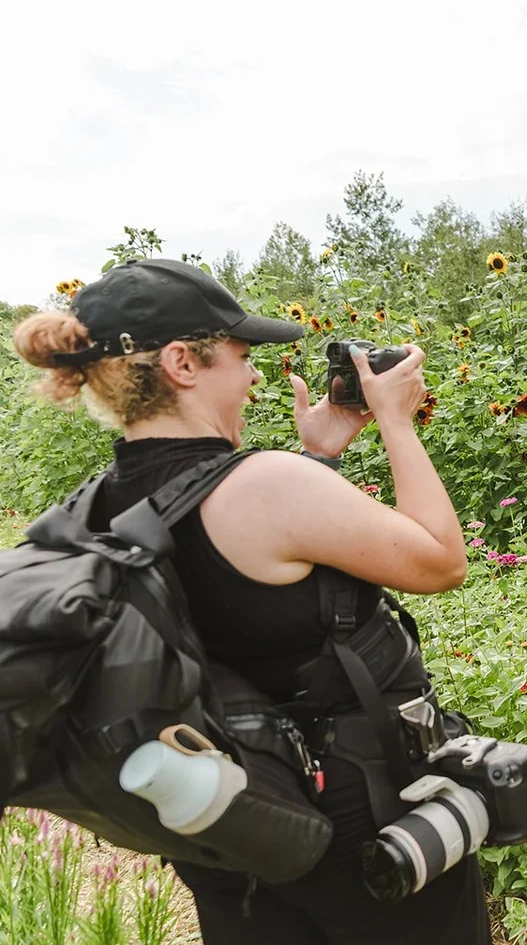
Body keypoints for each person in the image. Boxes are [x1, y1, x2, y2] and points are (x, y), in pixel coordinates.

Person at [12, 259, 486, 943]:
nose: (255, 374)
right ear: (181, 362)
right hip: (362, 820)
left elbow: (243, 588)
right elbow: (441, 561)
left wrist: (318, 455)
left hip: (233, 819)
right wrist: (397, 424)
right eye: (239, 354)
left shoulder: (100, 506)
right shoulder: (265, 485)